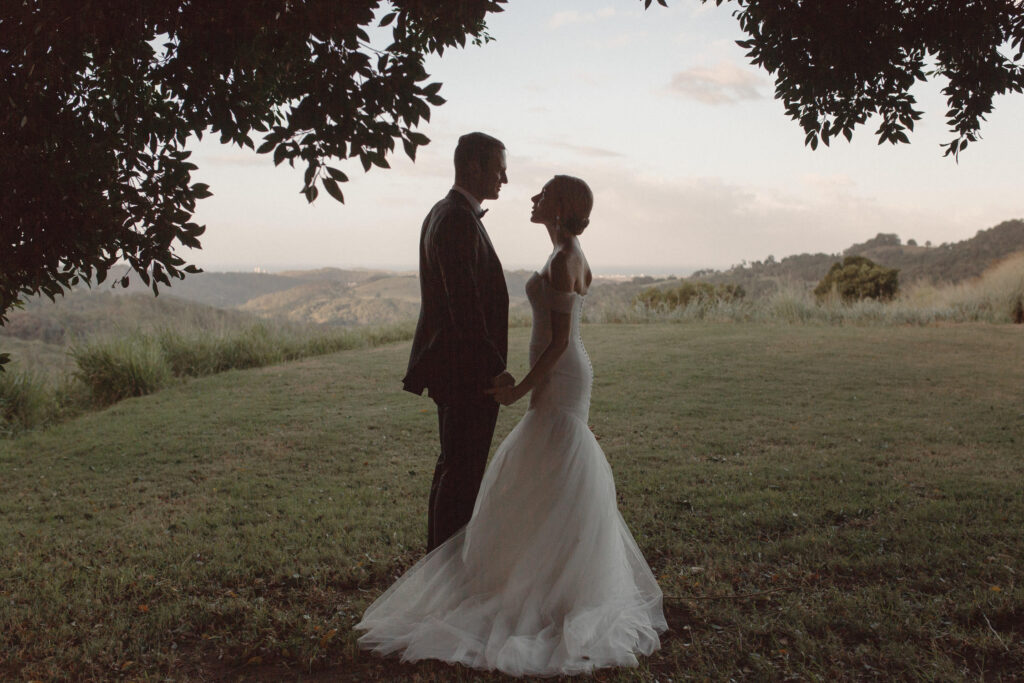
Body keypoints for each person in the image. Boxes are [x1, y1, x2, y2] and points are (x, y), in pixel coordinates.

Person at [357, 175, 667, 677]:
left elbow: (561, 341)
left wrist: (520, 389)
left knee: (557, 461)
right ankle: (539, 572)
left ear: (561, 205)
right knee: (543, 472)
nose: (532, 198)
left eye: (542, 194)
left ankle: (558, 586)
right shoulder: (561, 252)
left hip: (562, 378)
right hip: (555, 377)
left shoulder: (567, 257)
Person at [401, 132, 514, 553]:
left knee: (452, 468)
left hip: (458, 370)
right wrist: (494, 368)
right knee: (461, 476)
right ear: (473, 167)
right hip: (467, 374)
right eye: (499, 168)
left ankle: (438, 565)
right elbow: (464, 306)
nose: (505, 177)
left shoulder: (445, 213)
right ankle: (445, 569)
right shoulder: (455, 220)